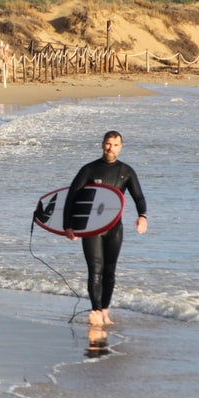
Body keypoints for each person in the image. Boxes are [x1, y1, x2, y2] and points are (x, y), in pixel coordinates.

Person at [63, 130, 147, 326]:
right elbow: (71, 197)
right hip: (91, 228)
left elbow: (139, 197)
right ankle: (95, 311)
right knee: (95, 269)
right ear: (102, 144)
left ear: (121, 147)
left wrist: (142, 216)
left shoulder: (127, 171)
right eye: (108, 144)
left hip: (114, 227)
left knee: (110, 271)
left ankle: (105, 311)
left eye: (115, 145)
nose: (111, 148)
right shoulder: (89, 170)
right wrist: (68, 226)